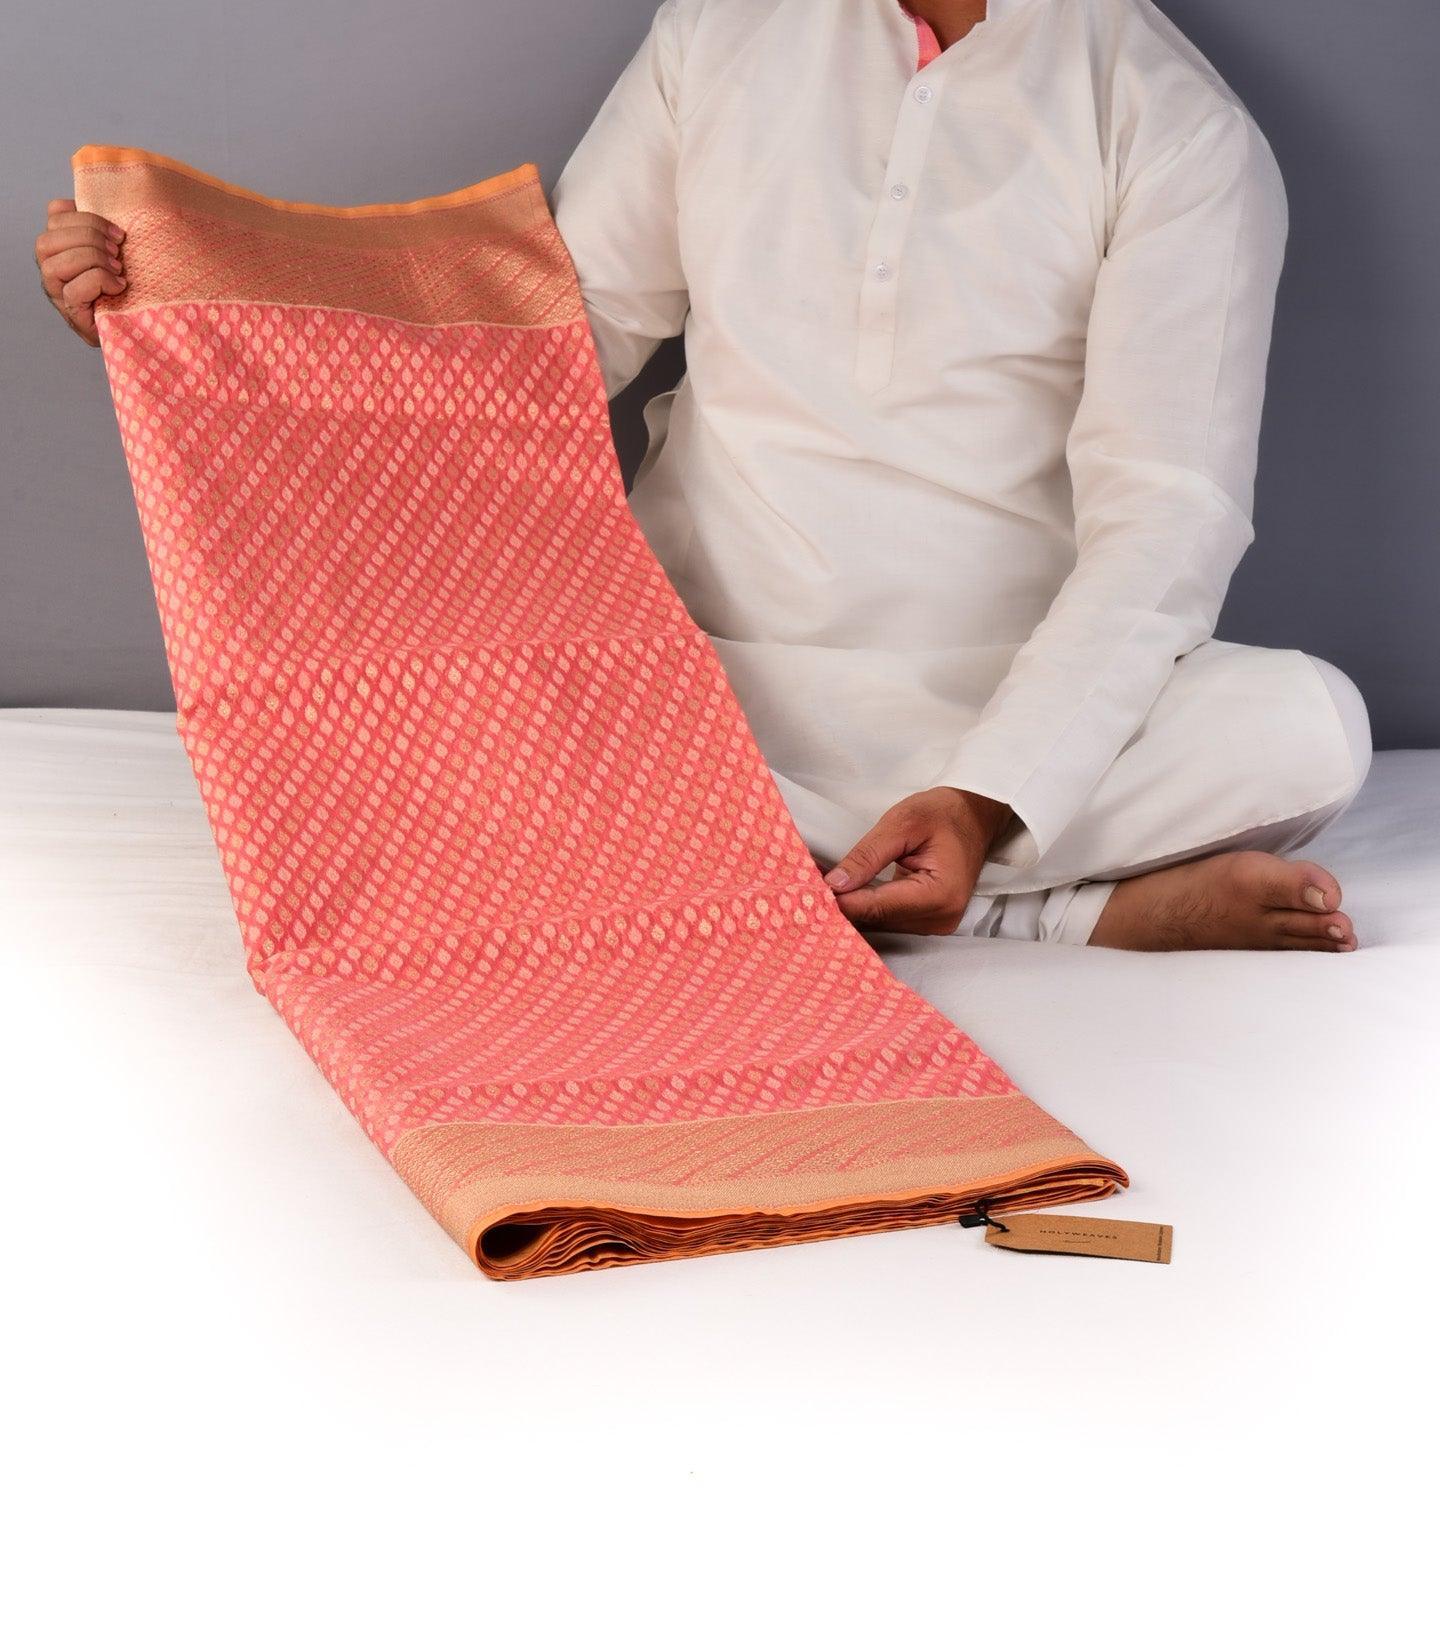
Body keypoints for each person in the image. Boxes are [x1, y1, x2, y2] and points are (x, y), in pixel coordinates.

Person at [36, 0, 1373, 952]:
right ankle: (1046, 913)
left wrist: (985, 796)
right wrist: (178, 314)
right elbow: (549, 345)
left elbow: (1165, 520)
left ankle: (830, 871)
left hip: (1000, 714)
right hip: (691, 684)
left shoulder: (1173, 122)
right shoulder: (721, 26)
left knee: (1310, 728)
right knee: (393, 701)